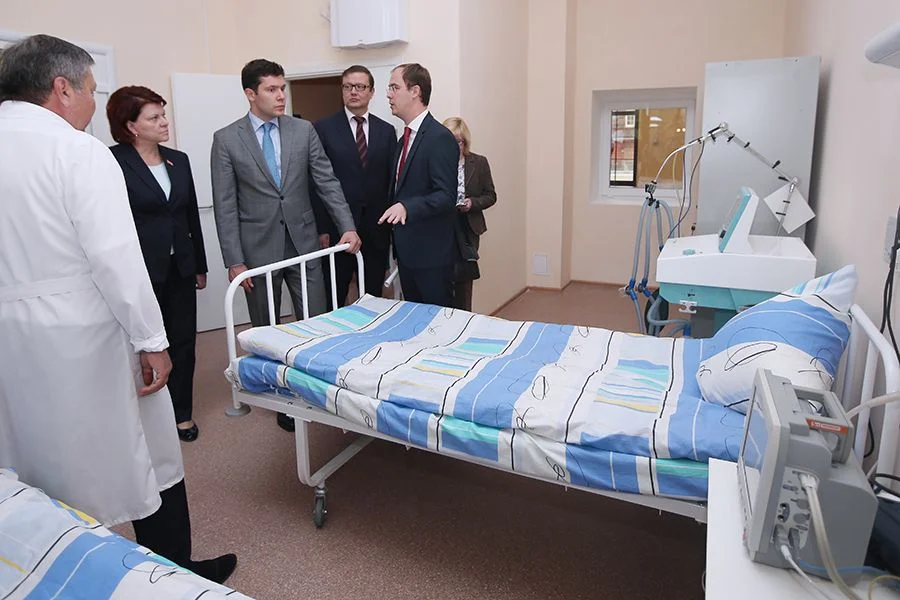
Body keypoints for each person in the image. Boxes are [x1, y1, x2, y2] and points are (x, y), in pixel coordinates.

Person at [0, 34, 235, 583]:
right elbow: (114, 256)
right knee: (147, 453)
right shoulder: (76, 151)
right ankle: (171, 573)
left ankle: (47, 574)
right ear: (61, 88)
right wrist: (153, 339)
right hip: (85, 332)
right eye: (89, 88)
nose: (91, 101)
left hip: (13, 339)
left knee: (36, 465)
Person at [211, 58, 360, 432]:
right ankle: (280, 397)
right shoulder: (227, 139)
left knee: (317, 319)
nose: (281, 96)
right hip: (257, 251)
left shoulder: (302, 130)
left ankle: (317, 390)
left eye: (282, 88)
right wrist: (234, 260)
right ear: (251, 94)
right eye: (272, 89)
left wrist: (347, 226)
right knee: (267, 326)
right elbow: (225, 205)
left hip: (304, 242)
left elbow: (326, 182)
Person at [107, 85, 207, 442]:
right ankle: (143, 415)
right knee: (143, 345)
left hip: (180, 266)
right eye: (154, 117)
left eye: (163, 115)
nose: (164, 122)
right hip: (138, 271)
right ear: (131, 126)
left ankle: (181, 413)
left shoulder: (179, 160)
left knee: (182, 341)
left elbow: (190, 215)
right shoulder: (111, 162)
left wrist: (199, 264)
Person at [312, 65, 397, 306]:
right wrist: (321, 228)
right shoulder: (323, 129)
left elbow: (390, 181)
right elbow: (315, 182)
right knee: (334, 296)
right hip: (337, 229)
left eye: (360, 86)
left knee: (372, 298)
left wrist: (391, 230)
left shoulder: (386, 131)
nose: (353, 92)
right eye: (348, 86)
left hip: (376, 230)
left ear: (371, 92)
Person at [380, 63, 459, 307]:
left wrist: (407, 207)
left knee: (437, 322)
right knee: (414, 320)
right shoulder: (403, 140)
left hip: (432, 257)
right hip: (407, 255)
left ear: (415, 91)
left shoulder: (439, 137)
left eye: (395, 87)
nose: (389, 95)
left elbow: (446, 196)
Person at [442, 117, 497, 312]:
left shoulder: (479, 163)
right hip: (443, 227)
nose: (454, 145)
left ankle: (464, 318)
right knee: (442, 279)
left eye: (458, 141)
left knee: (464, 280)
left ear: (465, 141)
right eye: (449, 140)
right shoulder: (438, 163)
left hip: (468, 228)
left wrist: (472, 203)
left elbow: (491, 195)